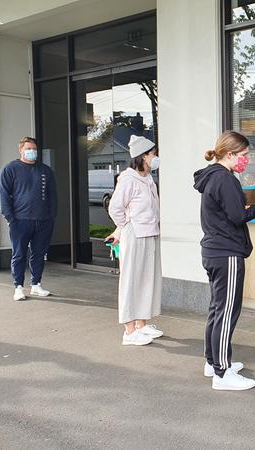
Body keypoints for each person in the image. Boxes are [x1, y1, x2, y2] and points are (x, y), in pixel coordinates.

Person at [193, 131, 255, 391]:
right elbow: (236, 217)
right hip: (226, 253)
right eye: (244, 155)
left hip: (213, 251)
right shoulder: (225, 179)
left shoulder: (211, 177)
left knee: (217, 309)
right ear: (230, 154)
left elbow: (228, 213)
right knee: (227, 311)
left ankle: (213, 362)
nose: (247, 159)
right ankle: (222, 373)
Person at [106, 135, 163, 346]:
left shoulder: (147, 178)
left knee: (148, 279)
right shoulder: (129, 179)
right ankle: (129, 331)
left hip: (149, 233)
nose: (156, 157)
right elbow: (115, 208)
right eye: (153, 154)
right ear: (143, 156)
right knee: (131, 281)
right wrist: (125, 225)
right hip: (135, 234)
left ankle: (142, 323)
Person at [0, 137, 57, 301]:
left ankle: (36, 285)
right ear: (21, 150)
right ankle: (18, 287)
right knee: (19, 254)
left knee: (39, 254)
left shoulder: (45, 170)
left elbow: (52, 195)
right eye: (28, 148)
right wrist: (9, 217)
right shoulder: (10, 169)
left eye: (34, 149)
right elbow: (2, 195)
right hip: (20, 221)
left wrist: (51, 217)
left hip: (43, 221)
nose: (32, 152)